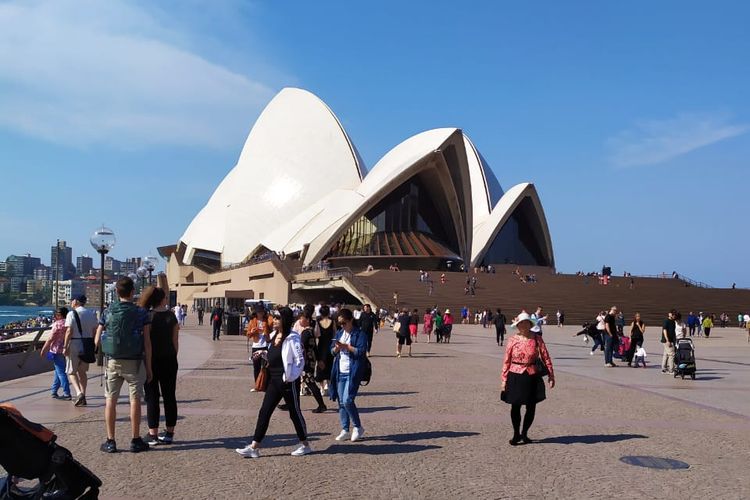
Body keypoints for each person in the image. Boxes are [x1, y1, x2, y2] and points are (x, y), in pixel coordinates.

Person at [236, 307, 311, 458]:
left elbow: (300, 361)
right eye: (274, 317)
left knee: (294, 413)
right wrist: (263, 353)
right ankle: (254, 447)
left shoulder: (292, 338)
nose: (274, 320)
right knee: (264, 411)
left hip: (287, 382)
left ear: (285, 320)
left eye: (277, 318)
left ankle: (305, 445)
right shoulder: (274, 335)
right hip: (274, 380)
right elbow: (276, 355)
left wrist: (289, 377)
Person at [95, 277, 152, 453]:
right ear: (132, 291)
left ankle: (110, 441)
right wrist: (149, 368)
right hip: (134, 362)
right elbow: (147, 342)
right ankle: (135, 440)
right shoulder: (141, 312)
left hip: (113, 361)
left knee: (110, 400)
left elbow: (97, 340)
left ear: (117, 292)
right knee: (135, 399)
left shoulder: (108, 311)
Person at [500, 312, 555, 445]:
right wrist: (504, 380)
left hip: (532, 375)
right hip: (515, 374)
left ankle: (524, 433)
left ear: (529, 324)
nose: (521, 326)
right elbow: (506, 361)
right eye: (519, 324)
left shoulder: (537, 339)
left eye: (523, 323)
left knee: (531, 406)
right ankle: (516, 434)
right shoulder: (512, 340)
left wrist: (551, 375)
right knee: (515, 406)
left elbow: (546, 357)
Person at [139, 286, 180, 446]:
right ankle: (169, 433)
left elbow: (147, 343)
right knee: (170, 396)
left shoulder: (148, 316)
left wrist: (147, 364)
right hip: (170, 360)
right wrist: (172, 356)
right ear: (162, 299)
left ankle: (153, 434)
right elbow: (175, 342)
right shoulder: (172, 317)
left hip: (152, 360)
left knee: (152, 397)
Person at [329, 308, 368, 442]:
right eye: (340, 323)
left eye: (344, 323)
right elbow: (332, 352)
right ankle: (345, 429)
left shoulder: (359, 334)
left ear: (351, 320)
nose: (342, 326)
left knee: (347, 400)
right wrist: (336, 348)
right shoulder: (339, 333)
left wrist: (347, 347)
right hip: (340, 371)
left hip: (353, 371)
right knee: (341, 402)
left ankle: (357, 426)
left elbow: (361, 352)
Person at [63, 295, 97, 407]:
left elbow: (69, 331)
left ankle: (79, 393)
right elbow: (94, 330)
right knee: (82, 372)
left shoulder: (71, 313)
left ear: (76, 301)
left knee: (71, 371)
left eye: (71, 300)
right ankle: (84, 395)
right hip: (87, 343)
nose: (70, 302)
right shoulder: (91, 313)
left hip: (75, 343)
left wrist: (65, 346)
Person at [297, 308, 327, 413]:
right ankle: (292, 403)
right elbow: (315, 347)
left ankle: (321, 404)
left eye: (302, 319)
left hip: (306, 362)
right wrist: (319, 359)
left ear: (308, 320)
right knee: (297, 382)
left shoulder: (306, 333)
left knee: (310, 383)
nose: (300, 321)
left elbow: (300, 347)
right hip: (311, 360)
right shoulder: (311, 331)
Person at [40, 307, 71, 401]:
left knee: (61, 372)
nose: (55, 317)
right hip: (67, 349)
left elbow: (50, 338)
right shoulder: (69, 323)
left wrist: (44, 349)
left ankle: (67, 393)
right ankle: (54, 391)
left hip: (57, 350)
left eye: (56, 315)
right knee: (58, 371)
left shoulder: (57, 324)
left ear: (60, 315)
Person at [246, 310, 270, 390]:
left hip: (265, 346)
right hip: (256, 345)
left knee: (265, 366)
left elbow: (272, 329)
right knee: (256, 367)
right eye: (259, 311)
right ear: (256, 312)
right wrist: (251, 332)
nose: (260, 313)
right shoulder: (252, 321)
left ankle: (265, 385)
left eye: (262, 311)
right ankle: (257, 385)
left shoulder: (267, 320)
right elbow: (248, 334)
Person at [315, 305, 335, 392]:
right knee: (330, 364)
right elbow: (335, 333)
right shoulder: (332, 321)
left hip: (321, 345)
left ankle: (322, 387)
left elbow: (316, 334)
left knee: (320, 365)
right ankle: (329, 384)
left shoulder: (318, 322)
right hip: (330, 345)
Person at [661, 310, 677, 374]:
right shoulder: (666, 321)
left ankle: (664, 369)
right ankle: (671, 370)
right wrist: (667, 340)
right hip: (667, 341)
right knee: (671, 355)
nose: (674, 316)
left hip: (670, 340)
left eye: (675, 315)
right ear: (670, 314)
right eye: (673, 315)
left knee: (666, 355)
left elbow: (673, 332)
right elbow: (664, 330)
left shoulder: (673, 322)